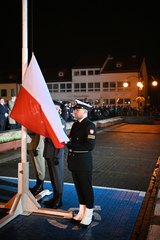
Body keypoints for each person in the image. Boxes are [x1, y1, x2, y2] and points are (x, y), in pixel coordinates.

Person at [67, 99, 96, 228]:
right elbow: (71, 139)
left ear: (84, 111)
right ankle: (81, 210)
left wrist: (71, 145)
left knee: (86, 188)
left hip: (83, 162)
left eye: (77, 110)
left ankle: (89, 212)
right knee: (79, 188)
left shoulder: (89, 126)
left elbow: (89, 146)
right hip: (74, 161)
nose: (74, 111)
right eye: (74, 109)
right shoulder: (75, 125)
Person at [43, 100, 66, 209]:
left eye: (55, 108)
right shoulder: (51, 121)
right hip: (49, 153)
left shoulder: (60, 122)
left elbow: (61, 140)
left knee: (58, 177)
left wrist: (57, 155)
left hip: (56, 154)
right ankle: (55, 197)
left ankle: (59, 199)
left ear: (58, 109)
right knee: (53, 177)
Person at [27, 130, 45, 196]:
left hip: (37, 144)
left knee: (39, 166)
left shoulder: (39, 120)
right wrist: (27, 146)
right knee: (35, 166)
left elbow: (41, 135)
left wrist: (38, 147)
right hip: (31, 144)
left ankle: (40, 185)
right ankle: (38, 184)